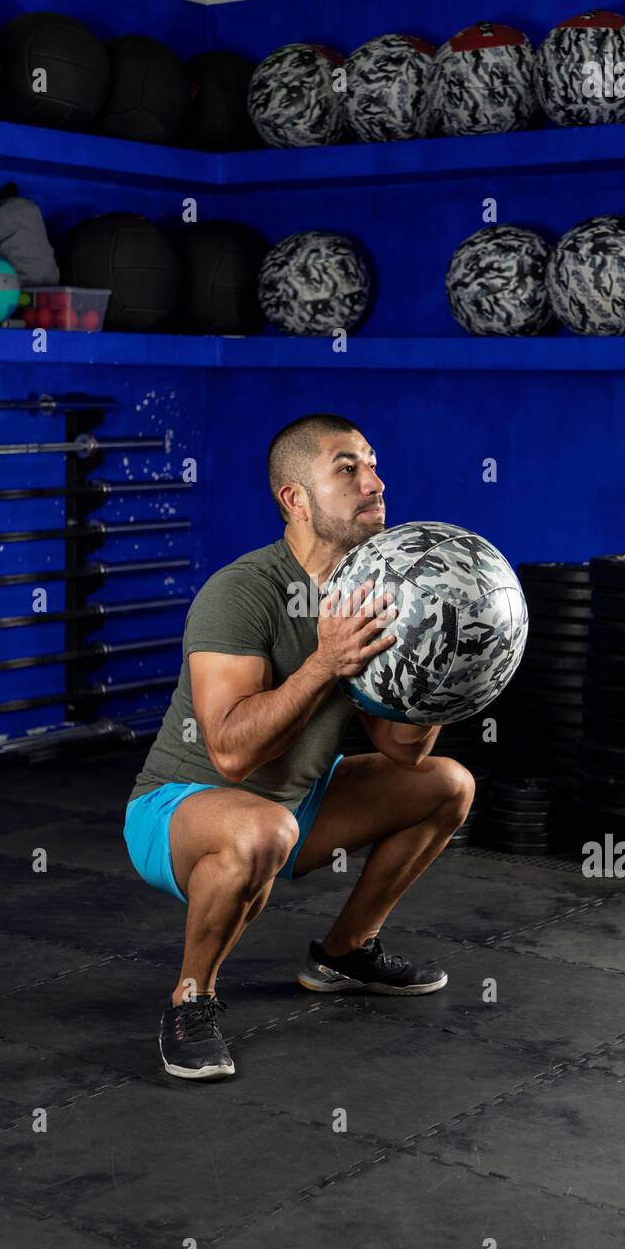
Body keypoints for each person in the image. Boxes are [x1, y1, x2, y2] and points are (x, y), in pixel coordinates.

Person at [123, 413, 476, 1080]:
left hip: (297, 806)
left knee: (447, 784)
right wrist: (324, 661)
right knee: (261, 830)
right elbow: (229, 753)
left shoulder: (376, 593)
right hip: (182, 807)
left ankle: (343, 953)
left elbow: (401, 752)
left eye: (372, 463)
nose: (375, 482)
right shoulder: (242, 591)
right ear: (295, 499)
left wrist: (440, 679)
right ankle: (190, 1000)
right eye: (347, 468)